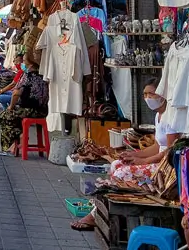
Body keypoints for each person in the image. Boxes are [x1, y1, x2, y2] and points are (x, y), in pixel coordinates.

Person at [70, 78, 178, 231]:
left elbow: (169, 150)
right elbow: (157, 146)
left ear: (162, 94)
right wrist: (135, 155)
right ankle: (107, 215)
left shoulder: (171, 117)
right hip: (156, 160)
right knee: (116, 164)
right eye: (145, 94)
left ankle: (96, 216)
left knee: (121, 173)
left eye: (151, 94)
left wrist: (143, 160)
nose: (147, 98)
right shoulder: (158, 116)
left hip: (165, 167)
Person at [0, 58, 49, 156]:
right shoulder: (44, 75)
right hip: (44, 110)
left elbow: (16, 93)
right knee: (15, 116)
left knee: (4, 116)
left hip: (31, 110)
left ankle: (11, 146)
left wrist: (11, 107)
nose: (23, 64)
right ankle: (20, 136)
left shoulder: (28, 76)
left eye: (25, 61)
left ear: (31, 65)